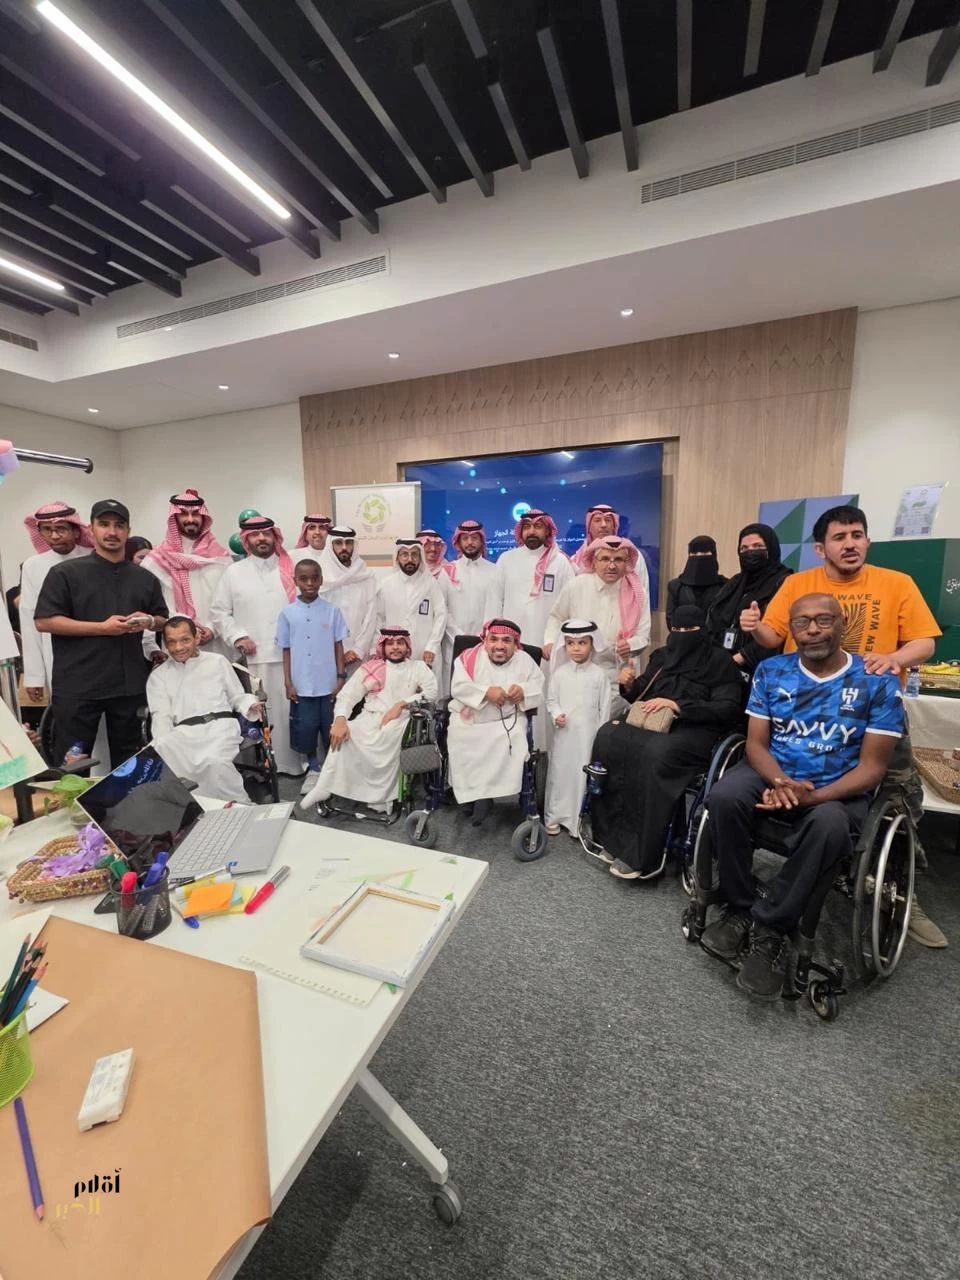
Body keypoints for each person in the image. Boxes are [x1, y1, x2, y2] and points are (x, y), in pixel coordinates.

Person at [740, 503, 945, 948]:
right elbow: (773, 637)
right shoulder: (798, 584)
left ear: (867, 540)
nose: (850, 544)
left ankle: (903, 896)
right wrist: (753, 627)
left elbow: (925, 641)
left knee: (898, 804)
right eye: (839, 537)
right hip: (801, 711)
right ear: (821, 548)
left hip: (873, 711)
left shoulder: (896, 583)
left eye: (857, 535)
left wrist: (893, 658)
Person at [701, 594, 905, 1000]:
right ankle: (740, 906)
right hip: (774, 772)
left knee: (829, 825)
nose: (812, 629)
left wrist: (814, 797)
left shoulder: (876, 680)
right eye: (802, 622)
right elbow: (755, 744)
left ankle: (772, 927)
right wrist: (780, 782)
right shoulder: (771, 671)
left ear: (842, 623)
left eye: (823, 620)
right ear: (791, 629)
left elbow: (873, 769)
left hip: (838, 786)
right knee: (724, 795)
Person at [590, 605, 744, 881]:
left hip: (694, 728)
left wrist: (678, 705)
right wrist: (628, 685)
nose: (682, 635)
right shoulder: (663, 656)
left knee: (655, 754)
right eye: (678, 629)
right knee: (607, 737)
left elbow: (728, 707)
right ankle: (613, 837)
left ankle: (644, 852)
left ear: (703, 630)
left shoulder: (720, 661)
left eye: (690, 629)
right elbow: (642, 693)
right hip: (652, 724)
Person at [34, 499, 168, 767]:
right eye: (104, 524)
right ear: (91, 529)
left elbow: (162, 619)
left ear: (128, 531)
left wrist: (149, 621)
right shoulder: (65, 573)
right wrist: (102, 628)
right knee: (72, 765)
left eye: (119, 525)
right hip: (78, 686)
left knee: (131, 764)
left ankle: (126, 798)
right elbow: (45, 621)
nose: (112, 532)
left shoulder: (144, 578)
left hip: (128, 685)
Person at [300, 627, 437, 813]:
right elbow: (347, 695)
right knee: (345, 732)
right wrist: (340, 719)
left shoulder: (417, 667)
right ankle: (324, 787)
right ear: (383, 647)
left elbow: (431, 692)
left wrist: (402, 704)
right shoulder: (371, 668)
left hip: (400, 719)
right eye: (390, 643)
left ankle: (380, 797)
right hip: (369, 717)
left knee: (387, 735)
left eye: (400, 643)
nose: (395, 647)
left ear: (407, 647)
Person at [209, 514, 302, 775]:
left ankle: (297, 764)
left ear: (274, 536)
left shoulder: (291, 568)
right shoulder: (234, 572)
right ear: (246, 540)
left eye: (266, 533)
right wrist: (238, 636)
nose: (262, 539)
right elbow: (219, 612)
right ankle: (266, 766)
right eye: (255, 535)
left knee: (293, 713)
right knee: (261, 712)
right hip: (254, 658)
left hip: (293, 656)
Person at [147, 616, 263, 804]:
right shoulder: (159, 675)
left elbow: (237, 696)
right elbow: (161, 715)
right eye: (171, 642)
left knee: (215, 761)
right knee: (162, 752)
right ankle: (193, 809)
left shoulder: (217, 662)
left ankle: (237, 807)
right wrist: (160, 742)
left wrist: (250, 704)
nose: (178, 647)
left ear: (197, 638)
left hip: (219, 727)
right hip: (182, 733)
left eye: (185, 640)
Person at [447, 618, 544, 826]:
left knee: (515, 736)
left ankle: (488, 795)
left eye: (506, 640)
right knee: (457, 733)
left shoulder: (525, 661)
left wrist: (523, 692)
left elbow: (538, 687)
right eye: (494, 639)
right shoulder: (469, 657)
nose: (499, 645)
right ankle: (471, 794)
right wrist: (485, 693)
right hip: (472, 718)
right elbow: (458, 687)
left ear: (515, 644)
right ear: (485, 641)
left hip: (506, 720)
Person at [277, 558, 349, 794]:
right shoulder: (287, 614)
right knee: (305, 728)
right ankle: (314, 768)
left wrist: (341, 677)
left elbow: (338, 645)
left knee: (330, 727)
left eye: (314, 578)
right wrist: (288, 682)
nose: (309, 583)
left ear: (321, 580)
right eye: (304, 578)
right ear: (295, 581)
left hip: (328, 683)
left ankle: (331, 771)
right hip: (301, 684)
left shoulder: (332, 611)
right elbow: (286, 650)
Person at [544, 535, 651, 691]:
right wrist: (550, 641)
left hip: (617, 676)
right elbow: (556, 617)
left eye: (618, 560)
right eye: (605, 559)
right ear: (594, 561)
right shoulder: (576, 586)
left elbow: (644, 636)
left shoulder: (637, 593)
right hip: (578, 673)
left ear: (626, 562)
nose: (612, 566)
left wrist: (630, 645)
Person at [141, 490, 232, 657]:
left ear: (203, 517)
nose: (190, 519)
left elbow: (228, 603)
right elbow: (150, 608)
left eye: (196, 513)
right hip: (176, 647)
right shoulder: (154, 562)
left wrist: (212, 629)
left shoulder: (222, 559)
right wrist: (151, 648)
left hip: (218, 644)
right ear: (174, 517)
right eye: (183, 513)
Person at [20, 501, 94, 706]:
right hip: (55, 653)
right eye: (47, 530)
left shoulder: (95, 557)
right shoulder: (32, 566)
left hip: (96, 649)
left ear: (76, 531)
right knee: (68, 713)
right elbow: (29, 619)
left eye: (61, 529)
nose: (54, 536)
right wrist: (34, 677)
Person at [544, 620, 611, 837]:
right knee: (560, 774)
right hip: (564, 735)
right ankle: (555, 816)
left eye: (582, 643)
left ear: (592, 644)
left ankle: (578, 822)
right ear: (564, 646)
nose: (576, 648)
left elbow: (605, 708)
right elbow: (552, 700)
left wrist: (601, 738)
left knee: (582, 776)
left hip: (588, 737)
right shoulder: (559, 673)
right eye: (571, 643)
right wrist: (556, 715)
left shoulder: (599, 674)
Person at [704, 523, 792, 674]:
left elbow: (779, 633)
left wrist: (738, 659)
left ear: (771, 548)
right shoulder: (734, 583)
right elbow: (714, 619)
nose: (750, 552)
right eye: (744, 548)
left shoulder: (786, 582)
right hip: (723, 665)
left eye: (757, 546)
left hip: (763, 670)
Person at [491, 509, 574, 651]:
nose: (531, 531)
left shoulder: (560, 562)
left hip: (548, 643)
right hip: (511, 641)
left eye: (538, 526)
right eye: (527, 527)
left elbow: (569, 604)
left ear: (547, 531)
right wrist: (494, 635)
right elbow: (495, 600)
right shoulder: (506, 559)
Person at [317, 525, 378, 675]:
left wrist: (358, 649)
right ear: (330, 545)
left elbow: (371, 616)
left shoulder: (366, 575)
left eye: (348, 543)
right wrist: (337, 654)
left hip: (358, 656)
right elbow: (317, 619)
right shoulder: (319, 575)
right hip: (327, 654)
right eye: (338, 543)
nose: (344, 547)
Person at [375, 540, 446, 667]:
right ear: (397, 557)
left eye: (414, 554)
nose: (410, 559)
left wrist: (432, 645)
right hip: (395, 653)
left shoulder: (431, 583)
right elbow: (379, 619)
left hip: (425, 652)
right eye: (405, 554)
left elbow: (441, 615)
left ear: (420, 557)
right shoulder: (386, 584)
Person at [447, 519, 497, 637]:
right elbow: (442, 609)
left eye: (474, 538)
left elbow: (497, 607)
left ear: (481, 541)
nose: (469, 542)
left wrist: (486, 635)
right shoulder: (448, 571)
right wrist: (458, 635)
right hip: (453, 640)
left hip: (485, 639)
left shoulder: (494, 570)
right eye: (465, 538)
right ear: (459, 542)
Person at [666, 536, 727, 627]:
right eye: (694, 553)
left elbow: (727, 617)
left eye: (704, 553)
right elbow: (671, 619)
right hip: (684, 634)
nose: (699, 556)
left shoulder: (725, 586)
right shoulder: (676, 586)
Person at [570, 504, 620, 572]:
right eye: (597, 520)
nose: (603, 525)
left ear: (615, 526)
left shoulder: (628, 557)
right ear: (589, 527)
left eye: (608, 520)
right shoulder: (575, 562)